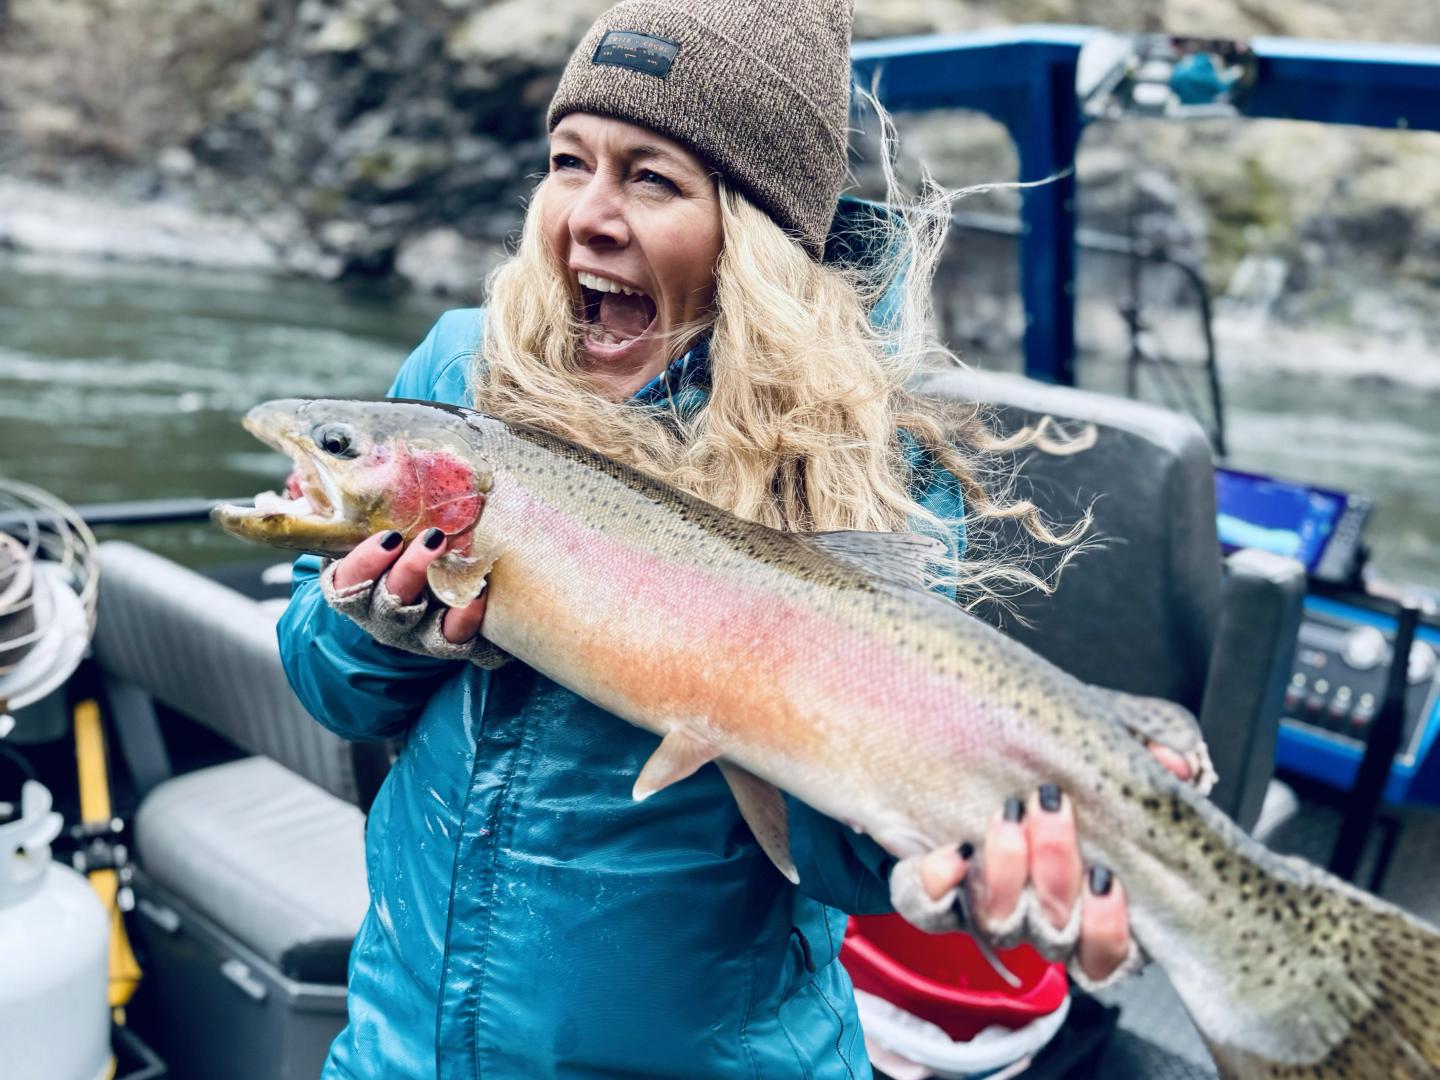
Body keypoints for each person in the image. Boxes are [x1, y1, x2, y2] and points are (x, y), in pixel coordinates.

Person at [277, 2, 1199, 1076]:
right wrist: (372, 632)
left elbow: (852, 866)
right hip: (404, 1051)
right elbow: (327, 683)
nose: (588, 216)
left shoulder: (868, 455)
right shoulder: (456, 382)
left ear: (755, 234)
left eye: (652, 178)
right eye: (569, 161)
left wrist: (954, 869)